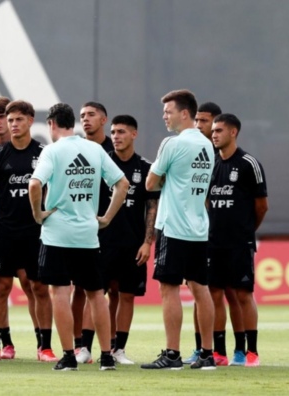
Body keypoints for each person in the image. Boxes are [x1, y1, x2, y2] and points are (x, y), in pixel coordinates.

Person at [29, 102, 129, 371]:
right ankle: (107, 356)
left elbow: (35, 183)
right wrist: (106, 218)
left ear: (51, 123)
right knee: (97, 295)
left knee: (60, 292)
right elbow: (123, 184)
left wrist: (38, 214)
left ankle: (68, 356)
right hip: (87, 234)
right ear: (72, 122)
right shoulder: (94, 149)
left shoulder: (52, 150)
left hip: (57, 235)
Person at [141, 89, 216, 370]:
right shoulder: (208, 145)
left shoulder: (172, 144)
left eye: (168, 111)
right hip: (198, 227)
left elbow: (150, 184)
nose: (164, 116)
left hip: (173, 227)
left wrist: (166, 181)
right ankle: (207, 353)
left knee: (169, 288)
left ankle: (172, 354)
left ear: (185, 113)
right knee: (201, 289)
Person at [0, 100, 55, 362]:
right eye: (9, 120)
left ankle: (44, 347)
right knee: (1, 288)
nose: (13, 124)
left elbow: (50, 189)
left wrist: (40, 213)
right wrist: (4, 216)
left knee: (39, 287)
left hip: (35, 232)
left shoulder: (44, 153)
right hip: (6, 232)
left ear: (31, 121)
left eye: (18, 119)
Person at [208, 113, 268, 367]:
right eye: (213, 131)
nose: (214, 134)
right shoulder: (211, 164)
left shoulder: (248, 164)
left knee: (243, 295)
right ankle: (219, 352)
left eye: (219, 130)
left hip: (239, 243)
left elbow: (262, 206)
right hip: (213, 243)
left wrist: (246, 231)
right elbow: (208, 202)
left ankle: (250, 352)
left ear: (233, 132)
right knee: (215, 294)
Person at [101, 115, 159, 365]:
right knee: (95, 293)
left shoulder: (145, 168)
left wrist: (148, 242)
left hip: (132, 243)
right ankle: (85, 348)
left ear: (134, 134)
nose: (115, 136)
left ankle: (119, 350)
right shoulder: (102, 163)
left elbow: (152, 207)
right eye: (113, 132)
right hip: (100, 242)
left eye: (121, 132)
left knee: (126, 295)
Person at [187, 101, 233, 365]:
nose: (199, 126)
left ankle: (221, 350)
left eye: (204, 121)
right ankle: (200, 349)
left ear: (217, 123)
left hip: (220, 238)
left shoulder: (222, 157)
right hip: (196, 235)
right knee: (198, 292)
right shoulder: (196, 153)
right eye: (197, 121)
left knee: (217, 292)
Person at [75, 101, 113, 361]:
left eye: (91, 115)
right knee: (79, 289)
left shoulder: (114, 149)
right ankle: (81, 345)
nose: (85, 119)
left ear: (104, 120)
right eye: (82, 116)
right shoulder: (77, 149)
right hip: (82, 228)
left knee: (108, 290)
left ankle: (113, 348)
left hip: (109, 229)